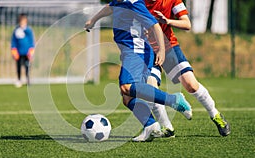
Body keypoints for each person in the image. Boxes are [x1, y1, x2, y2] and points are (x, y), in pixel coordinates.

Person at [85, 0, 192, 142]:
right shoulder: (120, 1)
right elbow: (109, 8)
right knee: (127, 97)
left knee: (126, 86)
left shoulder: (134, 3)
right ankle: (150, 126)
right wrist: (93, 20)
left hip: (137, 51)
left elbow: (155, 25)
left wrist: (161, 50)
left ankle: (175, 100)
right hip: (130, 51)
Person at [137, 0, 230, 138]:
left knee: (191, 85)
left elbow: (187, 24)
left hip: (169, 47)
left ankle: (215, 115)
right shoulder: (137, 2)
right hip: (147, 50)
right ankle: (167, 128)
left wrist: (167, 21)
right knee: (151, 89)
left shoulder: (171, 1)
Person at [11, 13, 35, 88]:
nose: (22, 22)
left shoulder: (29, 30)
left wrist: (31, 51)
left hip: (27, 53)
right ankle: (19, 80)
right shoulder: (16, 30)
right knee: (18, 67)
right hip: (19, 52)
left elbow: (31, 42)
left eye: (24, 21)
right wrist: (14, 50)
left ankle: (28, 81)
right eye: (21, 21)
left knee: (27, 67)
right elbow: (14, 41)